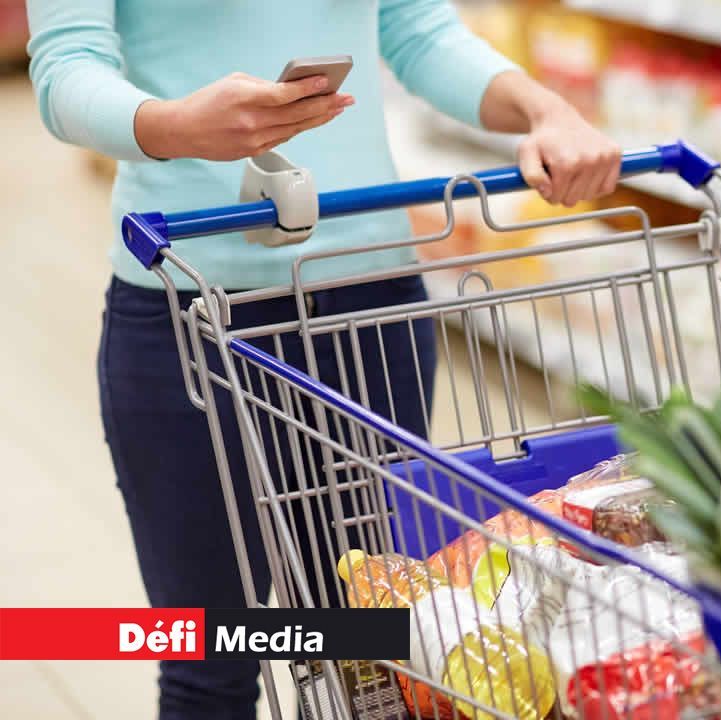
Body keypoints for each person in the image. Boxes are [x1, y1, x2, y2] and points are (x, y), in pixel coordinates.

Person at [27, 1, 621, 718]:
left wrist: (542, 107)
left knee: (367, 656)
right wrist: (174, 125)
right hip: (187, 307)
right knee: (210, 659)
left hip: (369, 301)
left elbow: (414, 26)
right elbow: (66, 70)